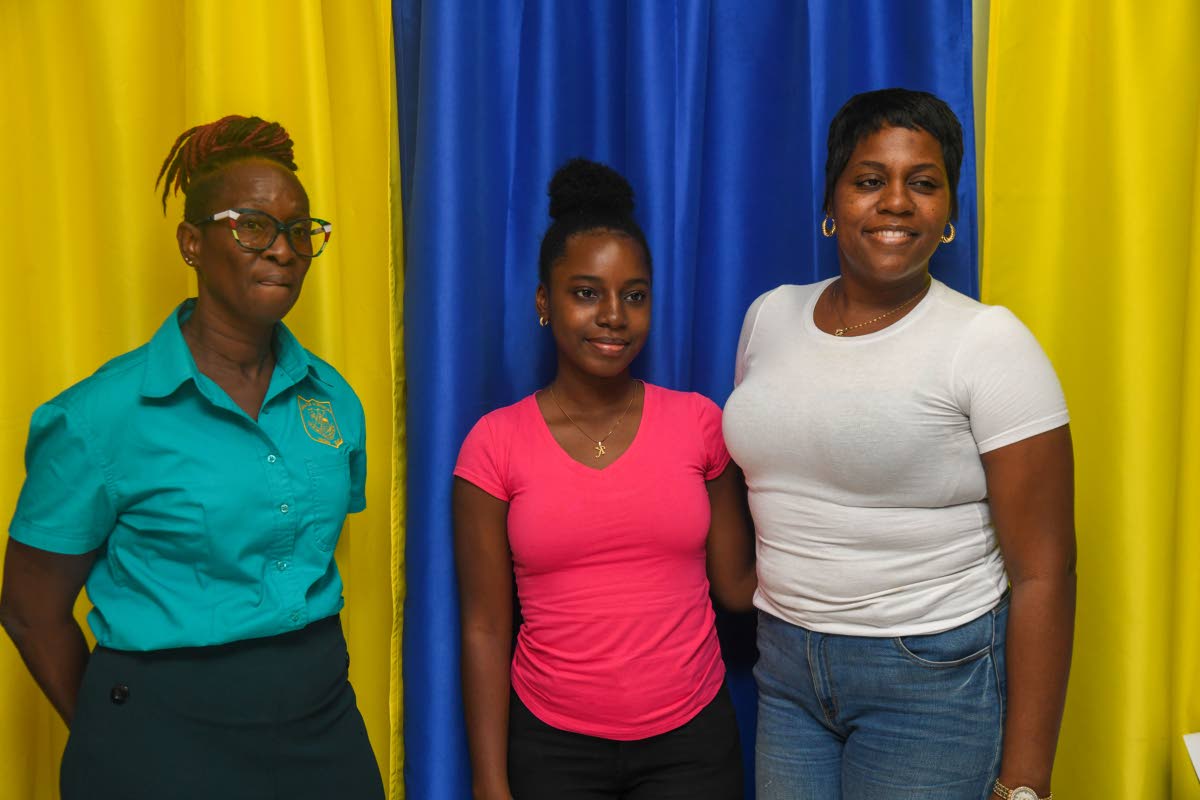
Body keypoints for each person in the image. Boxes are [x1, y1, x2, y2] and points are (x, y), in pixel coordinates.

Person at [0, 115, 384, 800]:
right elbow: (30, 610)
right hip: (159, 732)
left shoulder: (335, 403)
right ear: (191, 242)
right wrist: (115, 732)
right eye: (252, 226)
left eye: (300, 231)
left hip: (318, 718)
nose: (283, 250)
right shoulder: (99, 417)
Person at [722, 89, 1075, 800]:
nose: (896, 202)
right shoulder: (769, 316)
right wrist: (743, 590)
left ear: (948, 213)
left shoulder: (988, 342)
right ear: (832, 200)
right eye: (869, 180)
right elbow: (761, 468)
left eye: (923, 182)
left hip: (931, 681)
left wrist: (1026, 781)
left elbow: (1046, 572)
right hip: (787, 670)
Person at [452, 158, 756, 800]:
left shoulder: (701, 424)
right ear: (544, 302)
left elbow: (736, 587)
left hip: (692, 745)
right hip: (552, 747)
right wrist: (488, 780)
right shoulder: (494, 443)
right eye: (586, 292)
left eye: (634, 294)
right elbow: (483, 626)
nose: (614, 314)